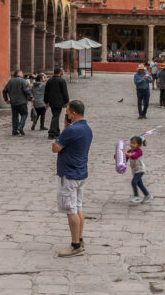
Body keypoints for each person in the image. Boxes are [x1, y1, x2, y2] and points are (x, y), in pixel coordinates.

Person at [52, 100, 93, 257]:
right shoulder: (87, 129)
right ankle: (80, 239)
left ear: (73, 114)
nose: (66, 115)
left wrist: (64, 129)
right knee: (77, 207)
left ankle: (75, 245)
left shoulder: (71, 130)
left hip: (68, 174)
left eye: (67, 112)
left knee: (70, 210)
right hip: (80, 172)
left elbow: (56, 147)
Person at [3, 69, 31, 136]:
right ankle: (20, 126)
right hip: (22, 101)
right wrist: (31, 96)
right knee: (24, 114)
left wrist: (6, 99)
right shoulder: (23, 81)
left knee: (15, 116)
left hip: (13, 102)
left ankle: (14, 130)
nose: (22, 74)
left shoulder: (10, 81)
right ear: (19, 73)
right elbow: (26, 90)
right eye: (21, 73)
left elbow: (4, 91)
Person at [125, 135, 152, 204]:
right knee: (140, 184)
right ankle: (147, 196)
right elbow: (125, 159)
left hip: (140, 170)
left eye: (134, 143)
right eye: (131, 143)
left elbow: (134, 156)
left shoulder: (139, 151)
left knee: (134, 182)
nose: (131, 145)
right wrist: (117, 157)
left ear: (139, 145)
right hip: (135, 170)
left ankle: (136, 196)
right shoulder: (129, 151)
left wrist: (127, 154)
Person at [44, 67, 70, 139]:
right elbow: (64, 92)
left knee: (55, 116)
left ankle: (57, 132)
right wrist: (66, 100)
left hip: (52, 101)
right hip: (59, 101)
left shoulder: (49, 81)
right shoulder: (62, 80)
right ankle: (51, 132)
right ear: (60, 72)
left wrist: (46, 101)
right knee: (55, 116)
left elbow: (46, 92)